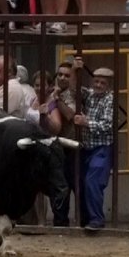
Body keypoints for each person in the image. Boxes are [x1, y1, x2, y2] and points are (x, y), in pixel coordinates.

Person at [72, 58, 114, 230]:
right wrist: (76, 70)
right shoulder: (90, 94)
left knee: (93, 182)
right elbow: (74, 90)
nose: (98, 85)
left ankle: (97, 220)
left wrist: (85, 122)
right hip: (86, 147)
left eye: (102, 83)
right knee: (81, 182)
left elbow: (107, 124)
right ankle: (86, 219)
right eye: (96, 81)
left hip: (101, 148)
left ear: (108, 85)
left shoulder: (110, 99)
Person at [51, 61, 77, 226]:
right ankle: (60, 221)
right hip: (55, 145)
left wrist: (56, 100)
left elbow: (70, 115)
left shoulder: (74, 94)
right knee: (57, 186)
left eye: (67, 75)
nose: (62, 78)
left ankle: (82, 220)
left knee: (75, 185)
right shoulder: (53, 92)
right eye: (60, 74)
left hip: (72, 146)